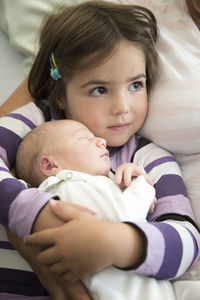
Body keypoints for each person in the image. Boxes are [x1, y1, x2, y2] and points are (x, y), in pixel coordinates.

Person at [0, 1, 199, 299]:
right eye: (99, 90)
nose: (122, 108)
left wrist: (116, 244)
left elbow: (186, 238)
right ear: (62, 93)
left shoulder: (149, 159)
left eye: (136, 85)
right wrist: (34, 214)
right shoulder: (39, 120)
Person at [15, 119, 172, 300]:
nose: (101, 141)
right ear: (50, 166)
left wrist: (127, 177)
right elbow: (124, 215)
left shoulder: (85, 186)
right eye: (84, 138)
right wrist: (142, 184)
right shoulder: (65, 188)